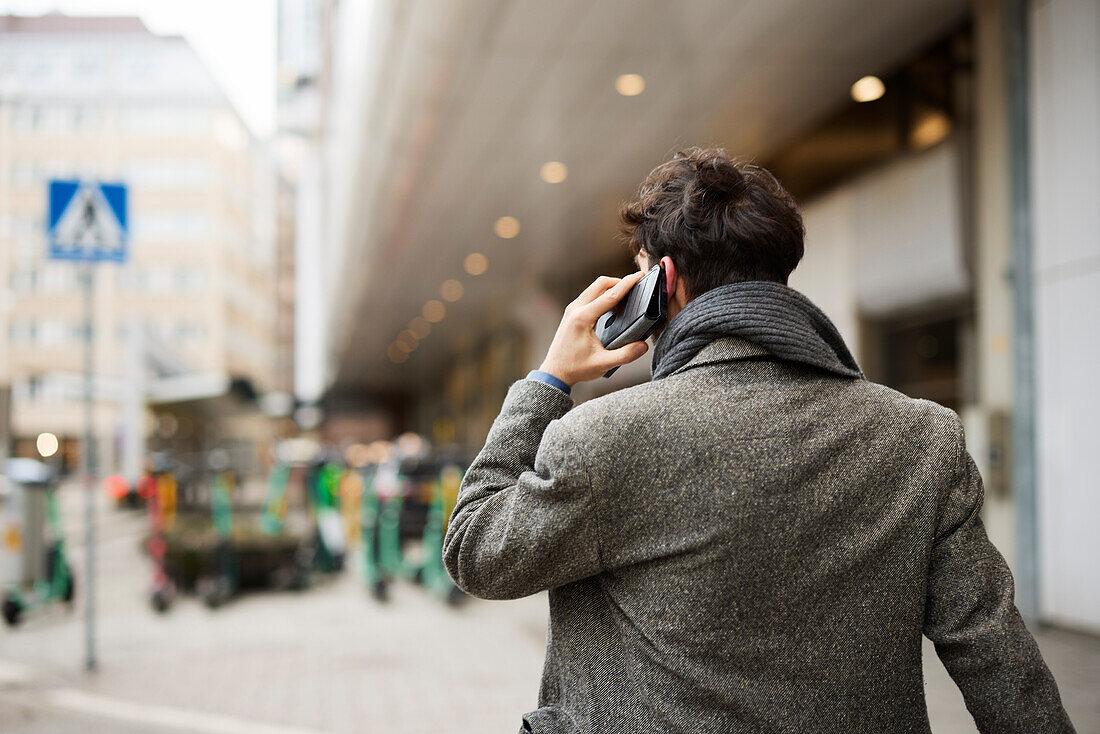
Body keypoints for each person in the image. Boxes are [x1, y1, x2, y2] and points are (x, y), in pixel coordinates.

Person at [442, 148, 1074, 733]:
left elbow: (474, 550)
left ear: (663, 284)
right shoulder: (921, 438)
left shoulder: (603, 438)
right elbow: (997, 660)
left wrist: (547, 380)